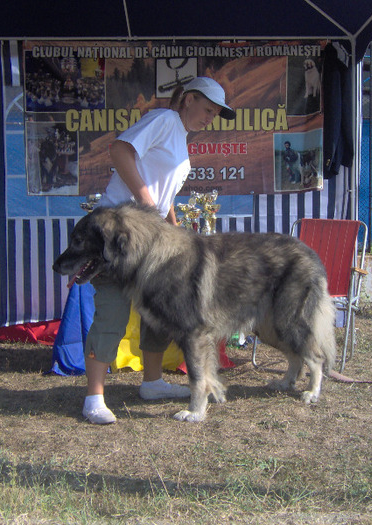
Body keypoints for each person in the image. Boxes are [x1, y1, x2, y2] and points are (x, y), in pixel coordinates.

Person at [81, 76, 235, 424]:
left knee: (159, 311)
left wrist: (174, 229)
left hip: (152, 240)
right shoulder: (164, 120)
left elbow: (163, 192)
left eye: (216, 113)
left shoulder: (180, 138)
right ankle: (94, 397)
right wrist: (147, 204)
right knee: (112, 313)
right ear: (189, 99)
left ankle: (152, 382)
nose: (210, 118)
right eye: (208, 109)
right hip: (118, 233)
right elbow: (119, 150)